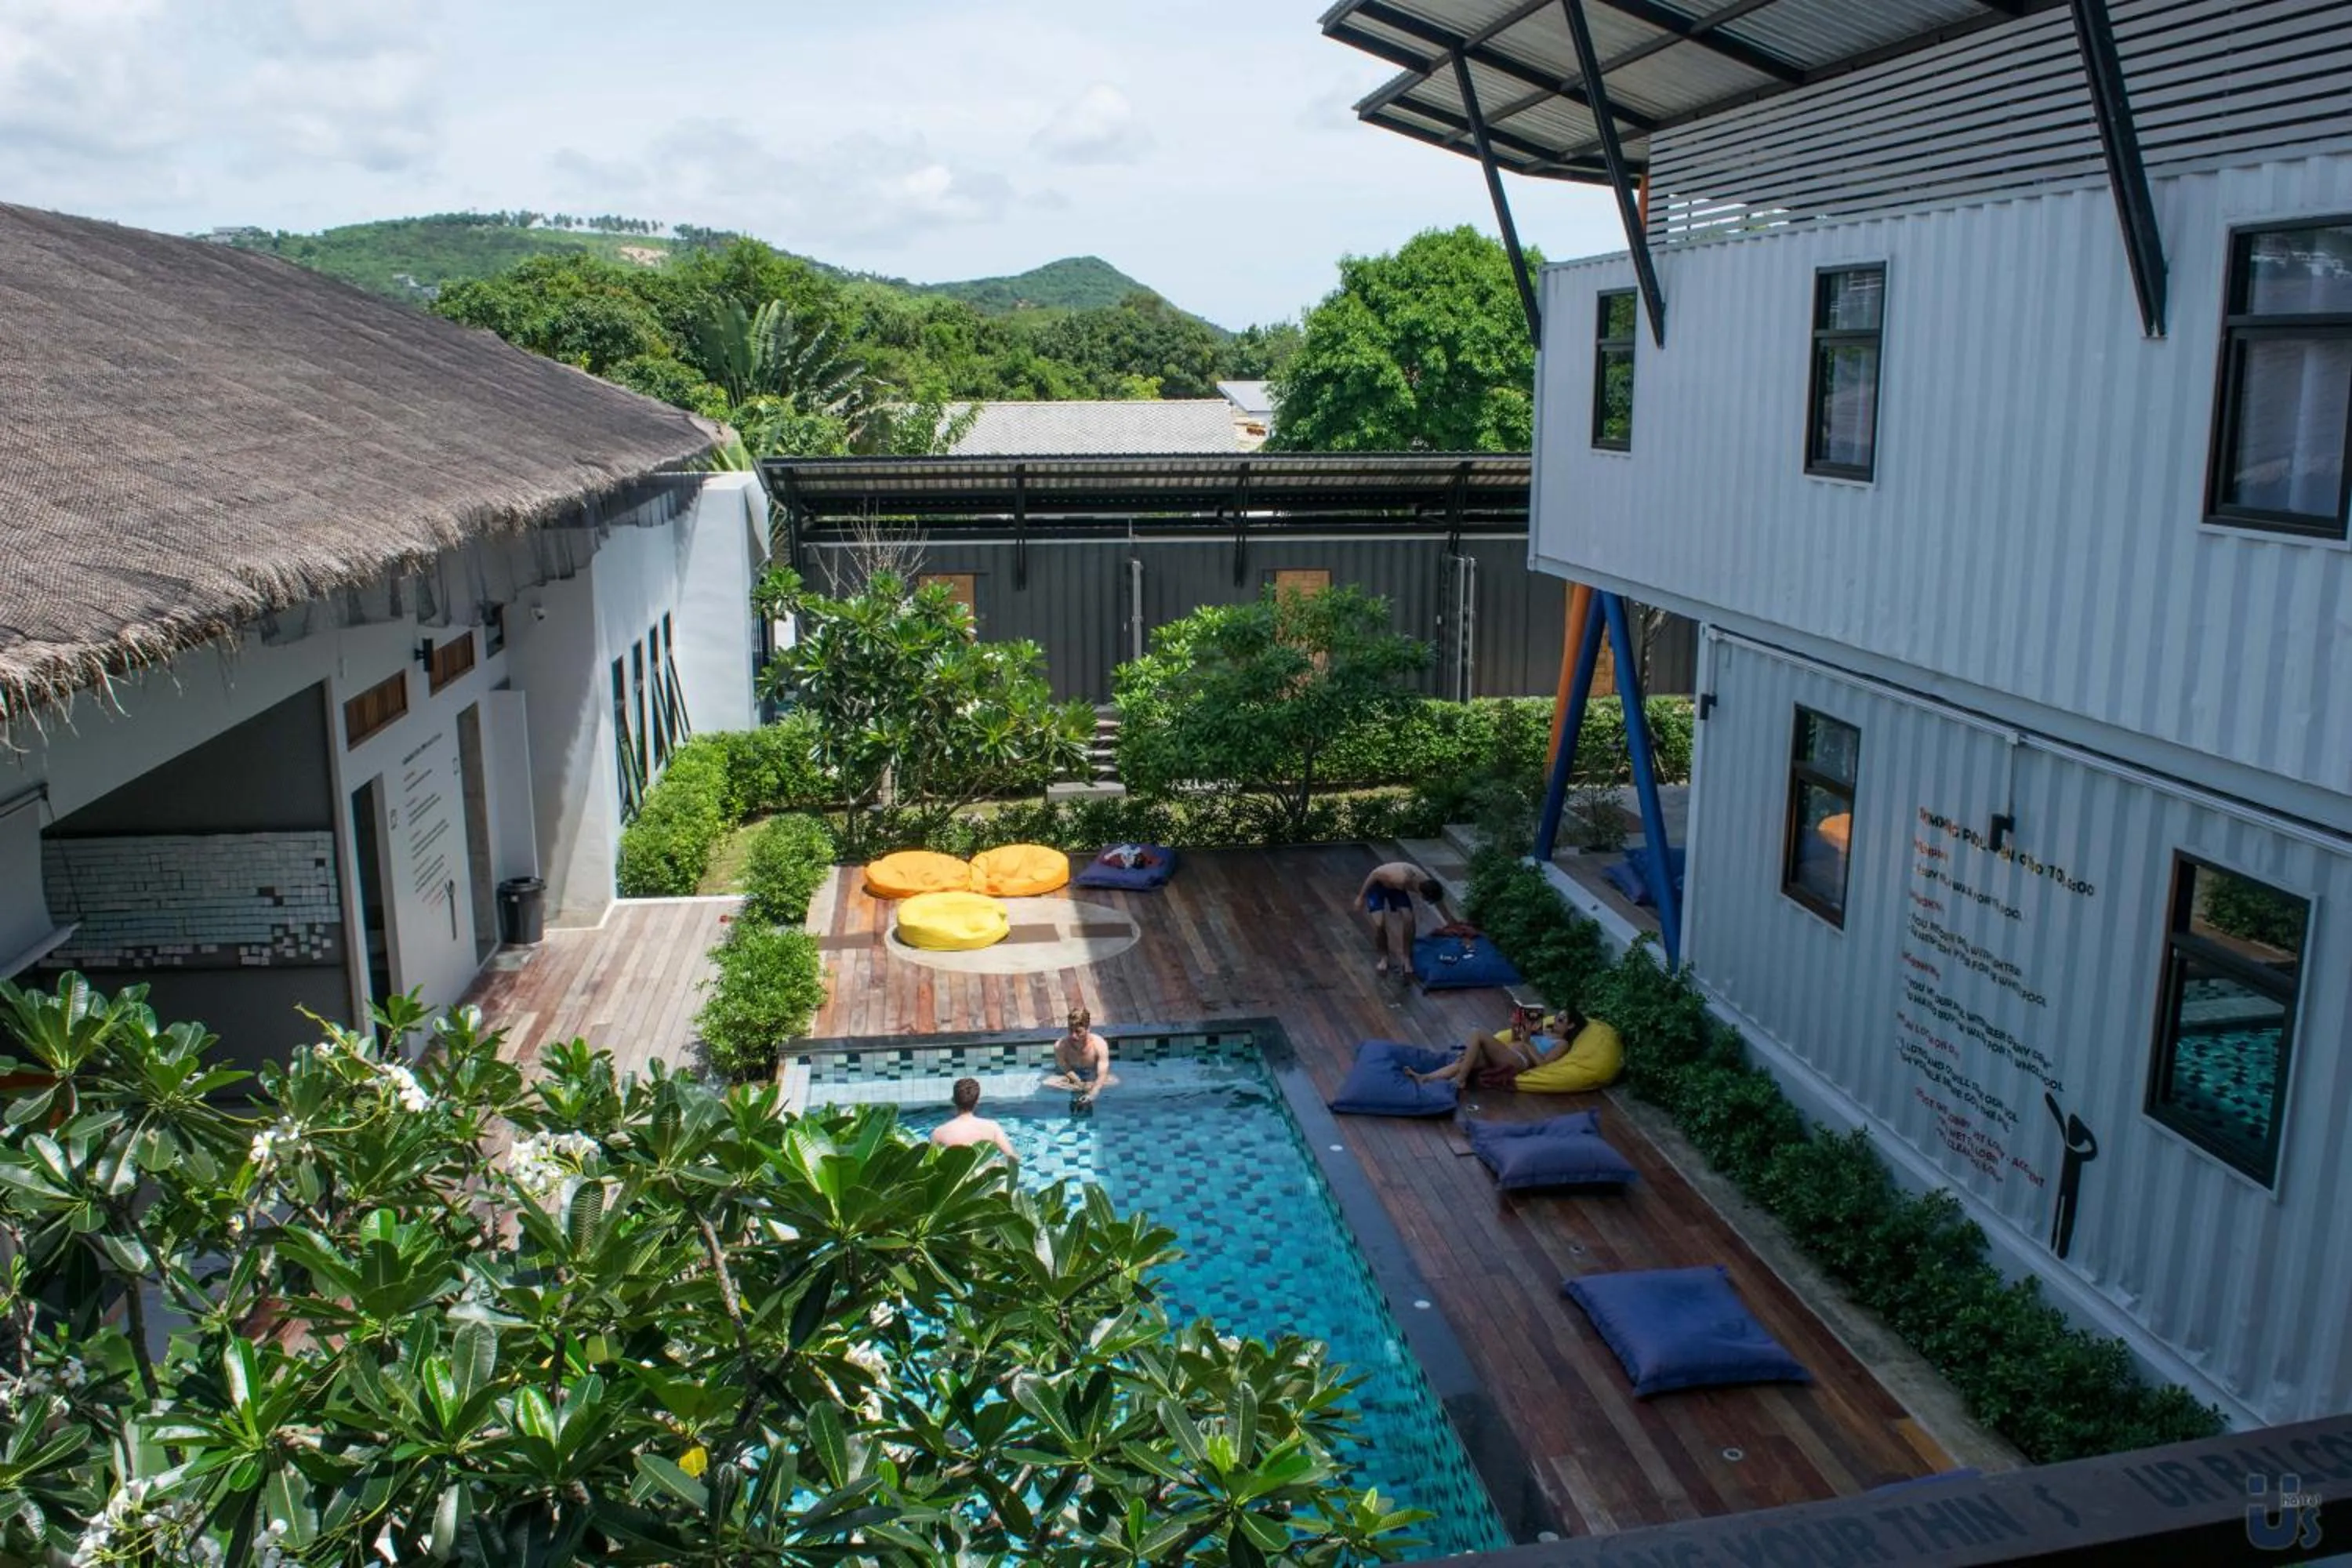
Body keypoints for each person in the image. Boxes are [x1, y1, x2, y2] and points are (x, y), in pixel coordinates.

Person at [1408, 1004, 1582, 1089]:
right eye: (1557, 1017)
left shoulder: (1562, 1044)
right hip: (1508, 1052)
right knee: (1468, 1059)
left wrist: (1527, 1042)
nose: (1556, 1021)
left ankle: (1460, 1080)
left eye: (1561, 1020)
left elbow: (1543, 1064)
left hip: (1519, 1061)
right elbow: (1520, 1040)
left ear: (1571, 1026)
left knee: (1478, 1034)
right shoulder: (1544, 1030)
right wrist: (1518, 1027)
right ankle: (1426, 1078)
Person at [1357, 862, 1449, 976]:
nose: (1426, 902)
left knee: (1409, 919)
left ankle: (1406, 958)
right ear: (1421, 893)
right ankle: (1384, 958)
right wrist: (1361, 897)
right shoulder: (1400, 879)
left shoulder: (1427, 882)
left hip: (1396, 889)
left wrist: (1449, 922)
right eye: (1426, 900)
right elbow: (1375, 874)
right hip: (1377, 885)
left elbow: (1439, 902)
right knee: (1380, 924)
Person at [930, 1077, 1018, 1163]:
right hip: (984, 1176)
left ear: (953, 1100)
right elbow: (1013, 1159)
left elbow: (931, 1164)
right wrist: (996, 1164)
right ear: (977, 1101)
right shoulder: (992, 1127)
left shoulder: (938, 1133)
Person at [1043, 1007, 1117, 1103]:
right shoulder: (1061, 1046)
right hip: (1070, 1079)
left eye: (1078, 1032)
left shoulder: (1099, 1045)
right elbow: (1066, 1069)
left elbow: (1102, 1074)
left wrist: (1094, 1093)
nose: (1073, 1035)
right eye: (1070, 1030)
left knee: (1115, 1081)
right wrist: (1080, 1084)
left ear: (1088, 1029)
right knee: (1047, 1083)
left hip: (1092, 1077)